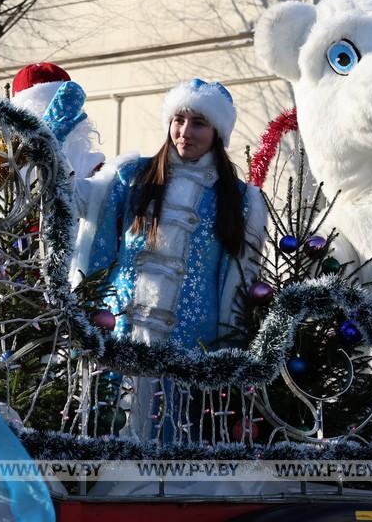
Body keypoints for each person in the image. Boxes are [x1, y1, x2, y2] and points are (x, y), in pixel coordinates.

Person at [49, 79, 267, 440]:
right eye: (178, 120)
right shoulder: (131, 176)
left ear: (218, 132)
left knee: (176, 440)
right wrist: (52, 142)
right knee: (112, 432)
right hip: (119, 330)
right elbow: (69, 199)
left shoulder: (240, 199)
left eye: (199, 123)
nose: (185, 132)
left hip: (193, 344)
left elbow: (240, 278)